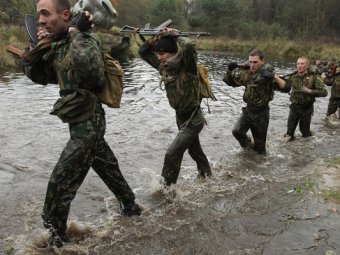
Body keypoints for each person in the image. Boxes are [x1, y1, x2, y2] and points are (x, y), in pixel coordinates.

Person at [20, 0, 141, 247]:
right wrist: (35, 49)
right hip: (78, 121)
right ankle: (131, 206)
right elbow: (42, 77)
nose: (41, 20)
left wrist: (77, 33)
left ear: (66, 15)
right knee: (107, 165)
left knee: (60, 182)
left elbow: (91, 75)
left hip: (89, 122)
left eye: (45, 13)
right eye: (38, 15)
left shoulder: (86, 39)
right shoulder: (61, 44)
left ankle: (56, 242)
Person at [138, 29, 212, 186]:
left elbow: (190, 47)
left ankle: (167, 191)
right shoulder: (163, 67)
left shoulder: (188, 66)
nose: (159, 58)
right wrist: (155, 39)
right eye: (157, 54)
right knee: (194, 151)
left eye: (162, 54)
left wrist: (176, 37)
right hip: (180, 118)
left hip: (194, 119)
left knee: (172, 153)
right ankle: (207, 176)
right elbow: (143, 52)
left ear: (173, 53)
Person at [222, 49, 286, 154]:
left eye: (255, 62)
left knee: (260, 148)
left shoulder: (267, 75)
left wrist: (273, 76)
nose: (252, 65)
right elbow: (230, 82)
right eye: (250, 62)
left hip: (261, 113)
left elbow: (285, 87)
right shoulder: (247, 74)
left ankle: (259, 160)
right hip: (248, 110)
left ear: (262, 61)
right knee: (237, 131)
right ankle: (249, 152)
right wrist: (229, 70)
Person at [276, 56, 328, 140]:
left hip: (306, 109)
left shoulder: (314, 78)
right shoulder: (293, 76)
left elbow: (325, 93)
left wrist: (309, 91)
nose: (299, 66)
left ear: (307, 66)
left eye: (302, 64)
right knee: (289, 133)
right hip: (294, 107)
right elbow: (285, 88)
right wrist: (278, 79)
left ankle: (307, 148)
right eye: (298, 64)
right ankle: (291, 150)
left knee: (305, 133)